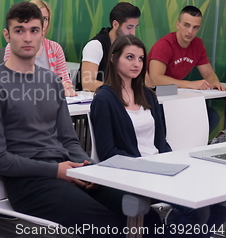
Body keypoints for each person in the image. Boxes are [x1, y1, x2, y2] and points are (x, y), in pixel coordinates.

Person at [0, 2, 161, 237]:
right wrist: (57, 171)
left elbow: (69, 140)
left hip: (69, 171)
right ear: (6, 35)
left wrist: (85, 168)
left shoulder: (52, 82)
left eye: (34, 30)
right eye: (19, 31)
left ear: (43, 32)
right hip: (29, 183)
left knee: (146, 215)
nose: (28, 38)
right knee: (110, 226)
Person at [90, 35, 226, 237]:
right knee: (198, 214)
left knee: (217, 207)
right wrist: (148, 167)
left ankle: (170, 227)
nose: (136, 63)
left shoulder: (148, 95)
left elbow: (161, 142)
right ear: (113, 59)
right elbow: (108, 153)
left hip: (159, 170)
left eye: (140, 58)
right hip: (132, 174)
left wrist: (171, 165)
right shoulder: (104, 98)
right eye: (129, 57)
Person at [148, 5, 225, 134]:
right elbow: (155, 78)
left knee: (211, 116)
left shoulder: (198, 45)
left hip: (176, 98)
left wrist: (215, 82)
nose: (190, 31)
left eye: (195, 27)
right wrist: (190, 84)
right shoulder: (164, 45)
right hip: (154, 99)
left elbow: (208, 73)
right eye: (186, 25)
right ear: (178, 24)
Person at [3, 0, 76, 96]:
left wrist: (65, 88)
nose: (42, 22)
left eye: (45, 19)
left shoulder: (55, 48)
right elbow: (14, 84)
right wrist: (53, 87)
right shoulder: (13, 47)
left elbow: (66, 82)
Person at [77, 2, 141, 92]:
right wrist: (121, 89)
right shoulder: (95, 45)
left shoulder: (130, 47)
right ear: (115, 24)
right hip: (94, 101)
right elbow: (88, 83)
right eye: (129, 27)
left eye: (135, 27)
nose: (133, 33)